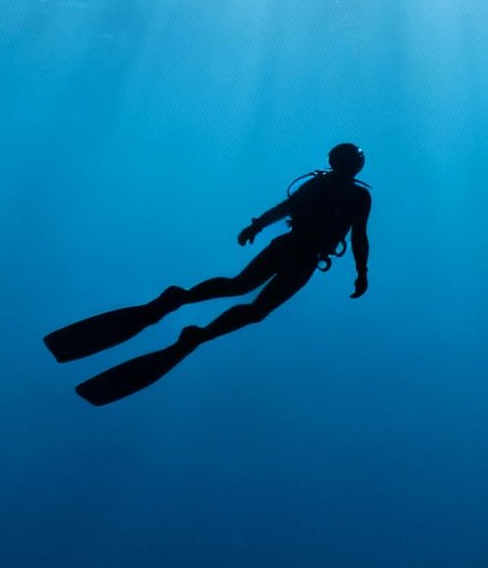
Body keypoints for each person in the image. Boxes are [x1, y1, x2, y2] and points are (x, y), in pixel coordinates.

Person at [45, 143, 373, 405]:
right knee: (241, 288)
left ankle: (193, 328)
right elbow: (289, 209)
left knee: (254, 306)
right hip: (294, 247)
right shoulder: (327, 185)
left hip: (306, 258)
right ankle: (179, 305)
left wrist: (361, 271)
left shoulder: (358, 196)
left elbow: (359, 234)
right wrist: (257, 225)